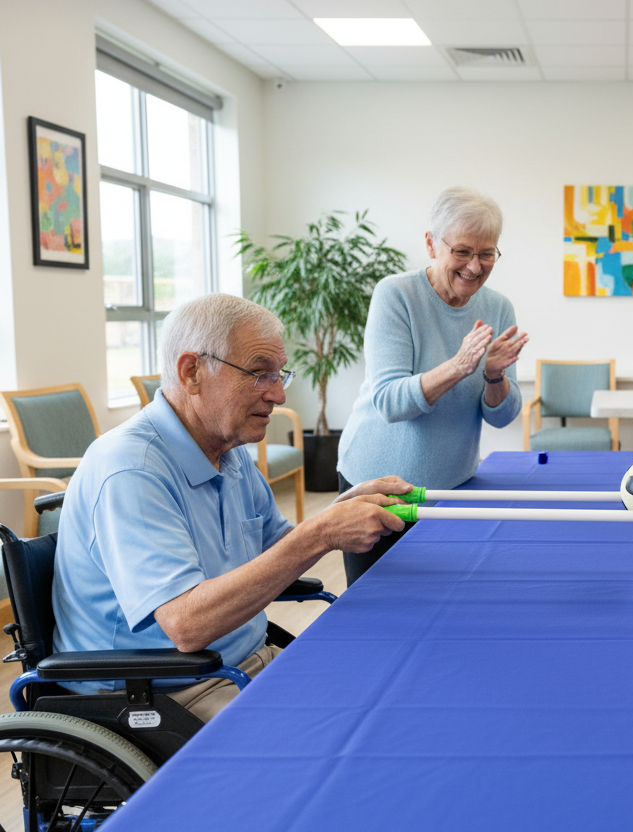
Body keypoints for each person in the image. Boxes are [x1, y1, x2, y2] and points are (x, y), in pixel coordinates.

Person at [51, 294, 410, 722]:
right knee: (345, 732)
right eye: (260, 374)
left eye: (279, 375)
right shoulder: (131, 469)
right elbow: (187, 625)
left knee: (385, 695)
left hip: (242, 664)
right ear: (192, 372)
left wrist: (342, 511)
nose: (277, 394)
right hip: (161, 690)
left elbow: (276, 545)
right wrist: (321, 533)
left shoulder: (226, 447)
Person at [337, 187, 528, 586]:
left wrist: (493, 376)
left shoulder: (498, 307)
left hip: (452, 487)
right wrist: (459, 367)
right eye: (462, 251)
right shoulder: (396, 295)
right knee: (375, 612)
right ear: (431, 244)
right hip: (378, 483)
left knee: (445, 610)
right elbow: (390, 403)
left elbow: (503, 415)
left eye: (487, 253)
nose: (475, 266)